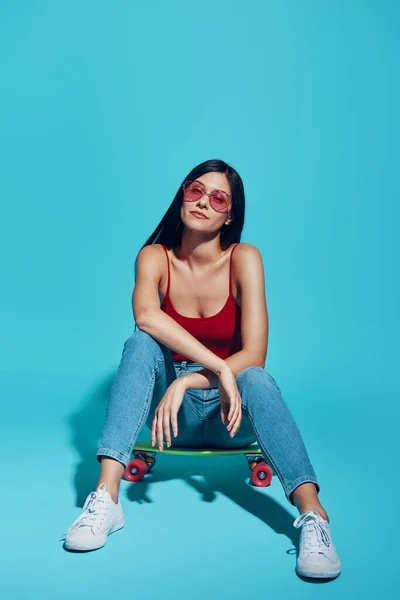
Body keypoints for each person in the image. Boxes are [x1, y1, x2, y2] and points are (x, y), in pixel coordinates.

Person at [60, 159, 342, 579]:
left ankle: (314, 518)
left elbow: (255, 354)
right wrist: (211, 367)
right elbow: (147, 318)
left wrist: (192, 377)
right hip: (169, 420)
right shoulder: (154, 257)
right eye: (195, 190)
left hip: (231, 415)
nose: (203, 202)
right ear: (181, 196)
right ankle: (106, 499)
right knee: (140, 345)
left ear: (230, 216)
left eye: (218, 198)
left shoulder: (244, 258)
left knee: (256, 378)